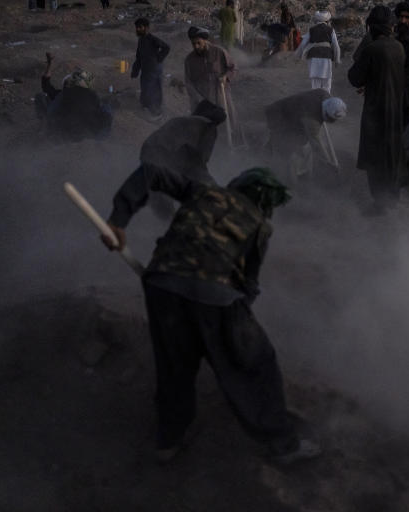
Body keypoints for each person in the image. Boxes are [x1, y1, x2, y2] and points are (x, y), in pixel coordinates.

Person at [102, 165, 320, 466]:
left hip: (162, 286)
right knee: (255, 364)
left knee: (174, 369)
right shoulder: (259, 225)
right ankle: (283, 446)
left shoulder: (203, 190)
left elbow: (151, 172)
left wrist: (119, 219)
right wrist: (235, 333)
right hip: (216, 297)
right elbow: (249, 284)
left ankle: (168, 441)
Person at [347, 5, 406, 215]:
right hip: (396, 111)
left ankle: (381, 204)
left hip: (376, 112)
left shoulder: (373, 48)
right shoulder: (399, 47)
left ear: (372, 26)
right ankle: (392, 199)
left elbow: (354, 78)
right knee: (392, 156)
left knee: (375, 158)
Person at [264, 90, 346, 181]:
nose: (332, 121)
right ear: (326, 112)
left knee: (301, 140)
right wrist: (328, 163)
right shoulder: (312, 120)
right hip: (277, 117)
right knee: (287, 148)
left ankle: (267, 153)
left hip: (291, 114)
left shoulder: (324, 94)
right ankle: (276, 175)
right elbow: (316, 144)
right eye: (330, 118)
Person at [33, 52, 113, 141]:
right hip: (90, 131)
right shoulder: (91, 94)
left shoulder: (61, 94)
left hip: (64, 132)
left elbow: (45, 85)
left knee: (41, 98)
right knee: (106, 107)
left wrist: (50, 64)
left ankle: (44, 128)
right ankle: (103, 138)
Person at [183, 26, 234, 111]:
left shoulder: (219, 52)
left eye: (199, 43)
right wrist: (197, 98)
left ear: (205, 40)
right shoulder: (189, 60)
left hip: (221, 96)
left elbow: (232, 68)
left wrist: (225, 76)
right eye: (193, 44)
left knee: (224, 120)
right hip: (201, 101)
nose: (196, 46)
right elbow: (188, 82)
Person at [131, 17, 171, 118]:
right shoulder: (140, 41)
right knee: (145, 88)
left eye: (140, 27)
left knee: (155, 89)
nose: (138, 29)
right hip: (146, 70)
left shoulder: (152, 39)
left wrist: (159, 58)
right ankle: (145, 107)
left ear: (147, 28)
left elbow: (166, 47)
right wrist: (135, 71)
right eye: (137, 28)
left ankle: (157, 112)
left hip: (154, 70)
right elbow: (138, 57)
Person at [294, 11, 341, 93]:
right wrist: (337, 59)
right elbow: (336, 46)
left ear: (317, 20)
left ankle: (315, 102)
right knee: (327, 84)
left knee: (315, 84)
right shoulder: (330, 30)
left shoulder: (312, 30)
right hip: (326, 57)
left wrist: (298, 56)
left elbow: (303, 43)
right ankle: (326, 101)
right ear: (327, 21)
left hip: (313, 58)